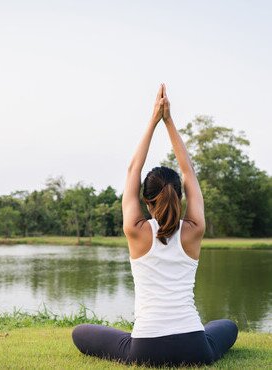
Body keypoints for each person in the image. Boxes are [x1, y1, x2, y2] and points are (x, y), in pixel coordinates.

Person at [71, 84, 238, 367]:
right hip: (196, 348)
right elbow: (189, 172)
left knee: (80, 333)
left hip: (144, 350)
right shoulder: (194, 229)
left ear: (147, 201)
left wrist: (153, 119)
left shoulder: (135, 230)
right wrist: (169, 121)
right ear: (181, 196)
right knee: (228, 325)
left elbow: (132, 171)